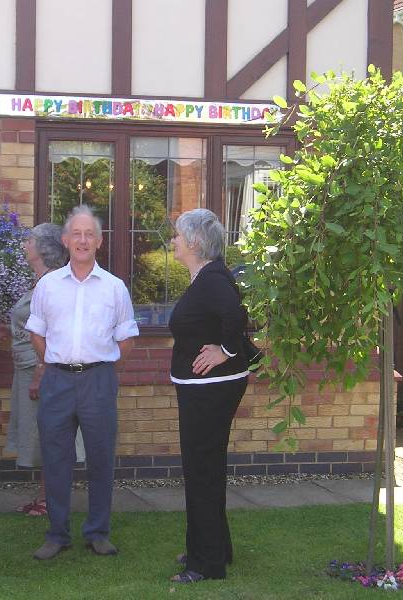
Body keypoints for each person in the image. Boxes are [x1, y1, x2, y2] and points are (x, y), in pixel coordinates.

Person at [26, 205, 139, 560]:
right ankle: (57, 534)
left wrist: (102, 371)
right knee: (56, 458)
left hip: (98, 380)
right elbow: (37, 334)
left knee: (101, 458)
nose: (83, 240)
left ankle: (98, 532)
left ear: (100, 242)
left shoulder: (115, 288)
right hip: (58, 381)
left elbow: (126, 340)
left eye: (90, 234)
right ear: (65, 240)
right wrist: (54, 363)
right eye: (76, 233)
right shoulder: (47, 286)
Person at [167, 208, 250, 584]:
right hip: (205, 391)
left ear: (195, 243)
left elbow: (235, 315)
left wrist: (226, 351)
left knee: (201, 472)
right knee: (207, 470)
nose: (173, 242)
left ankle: (205, 564)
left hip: (210, 392)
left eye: (177, 236)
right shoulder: (208, 276)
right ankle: (215, 549)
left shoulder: (213, 278)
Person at [0, 222, 84, 517]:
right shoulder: (42, 281)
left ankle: (52, 501)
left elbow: (60, 333)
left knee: (52, 436)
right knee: (43, 437)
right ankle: (46, 496)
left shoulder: (55, 283)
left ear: (43, 248)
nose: (24, 244)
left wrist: (43, 371)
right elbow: (36, 323)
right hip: (28, 368)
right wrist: (8, 327)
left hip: (42, 370)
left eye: (29, 240)